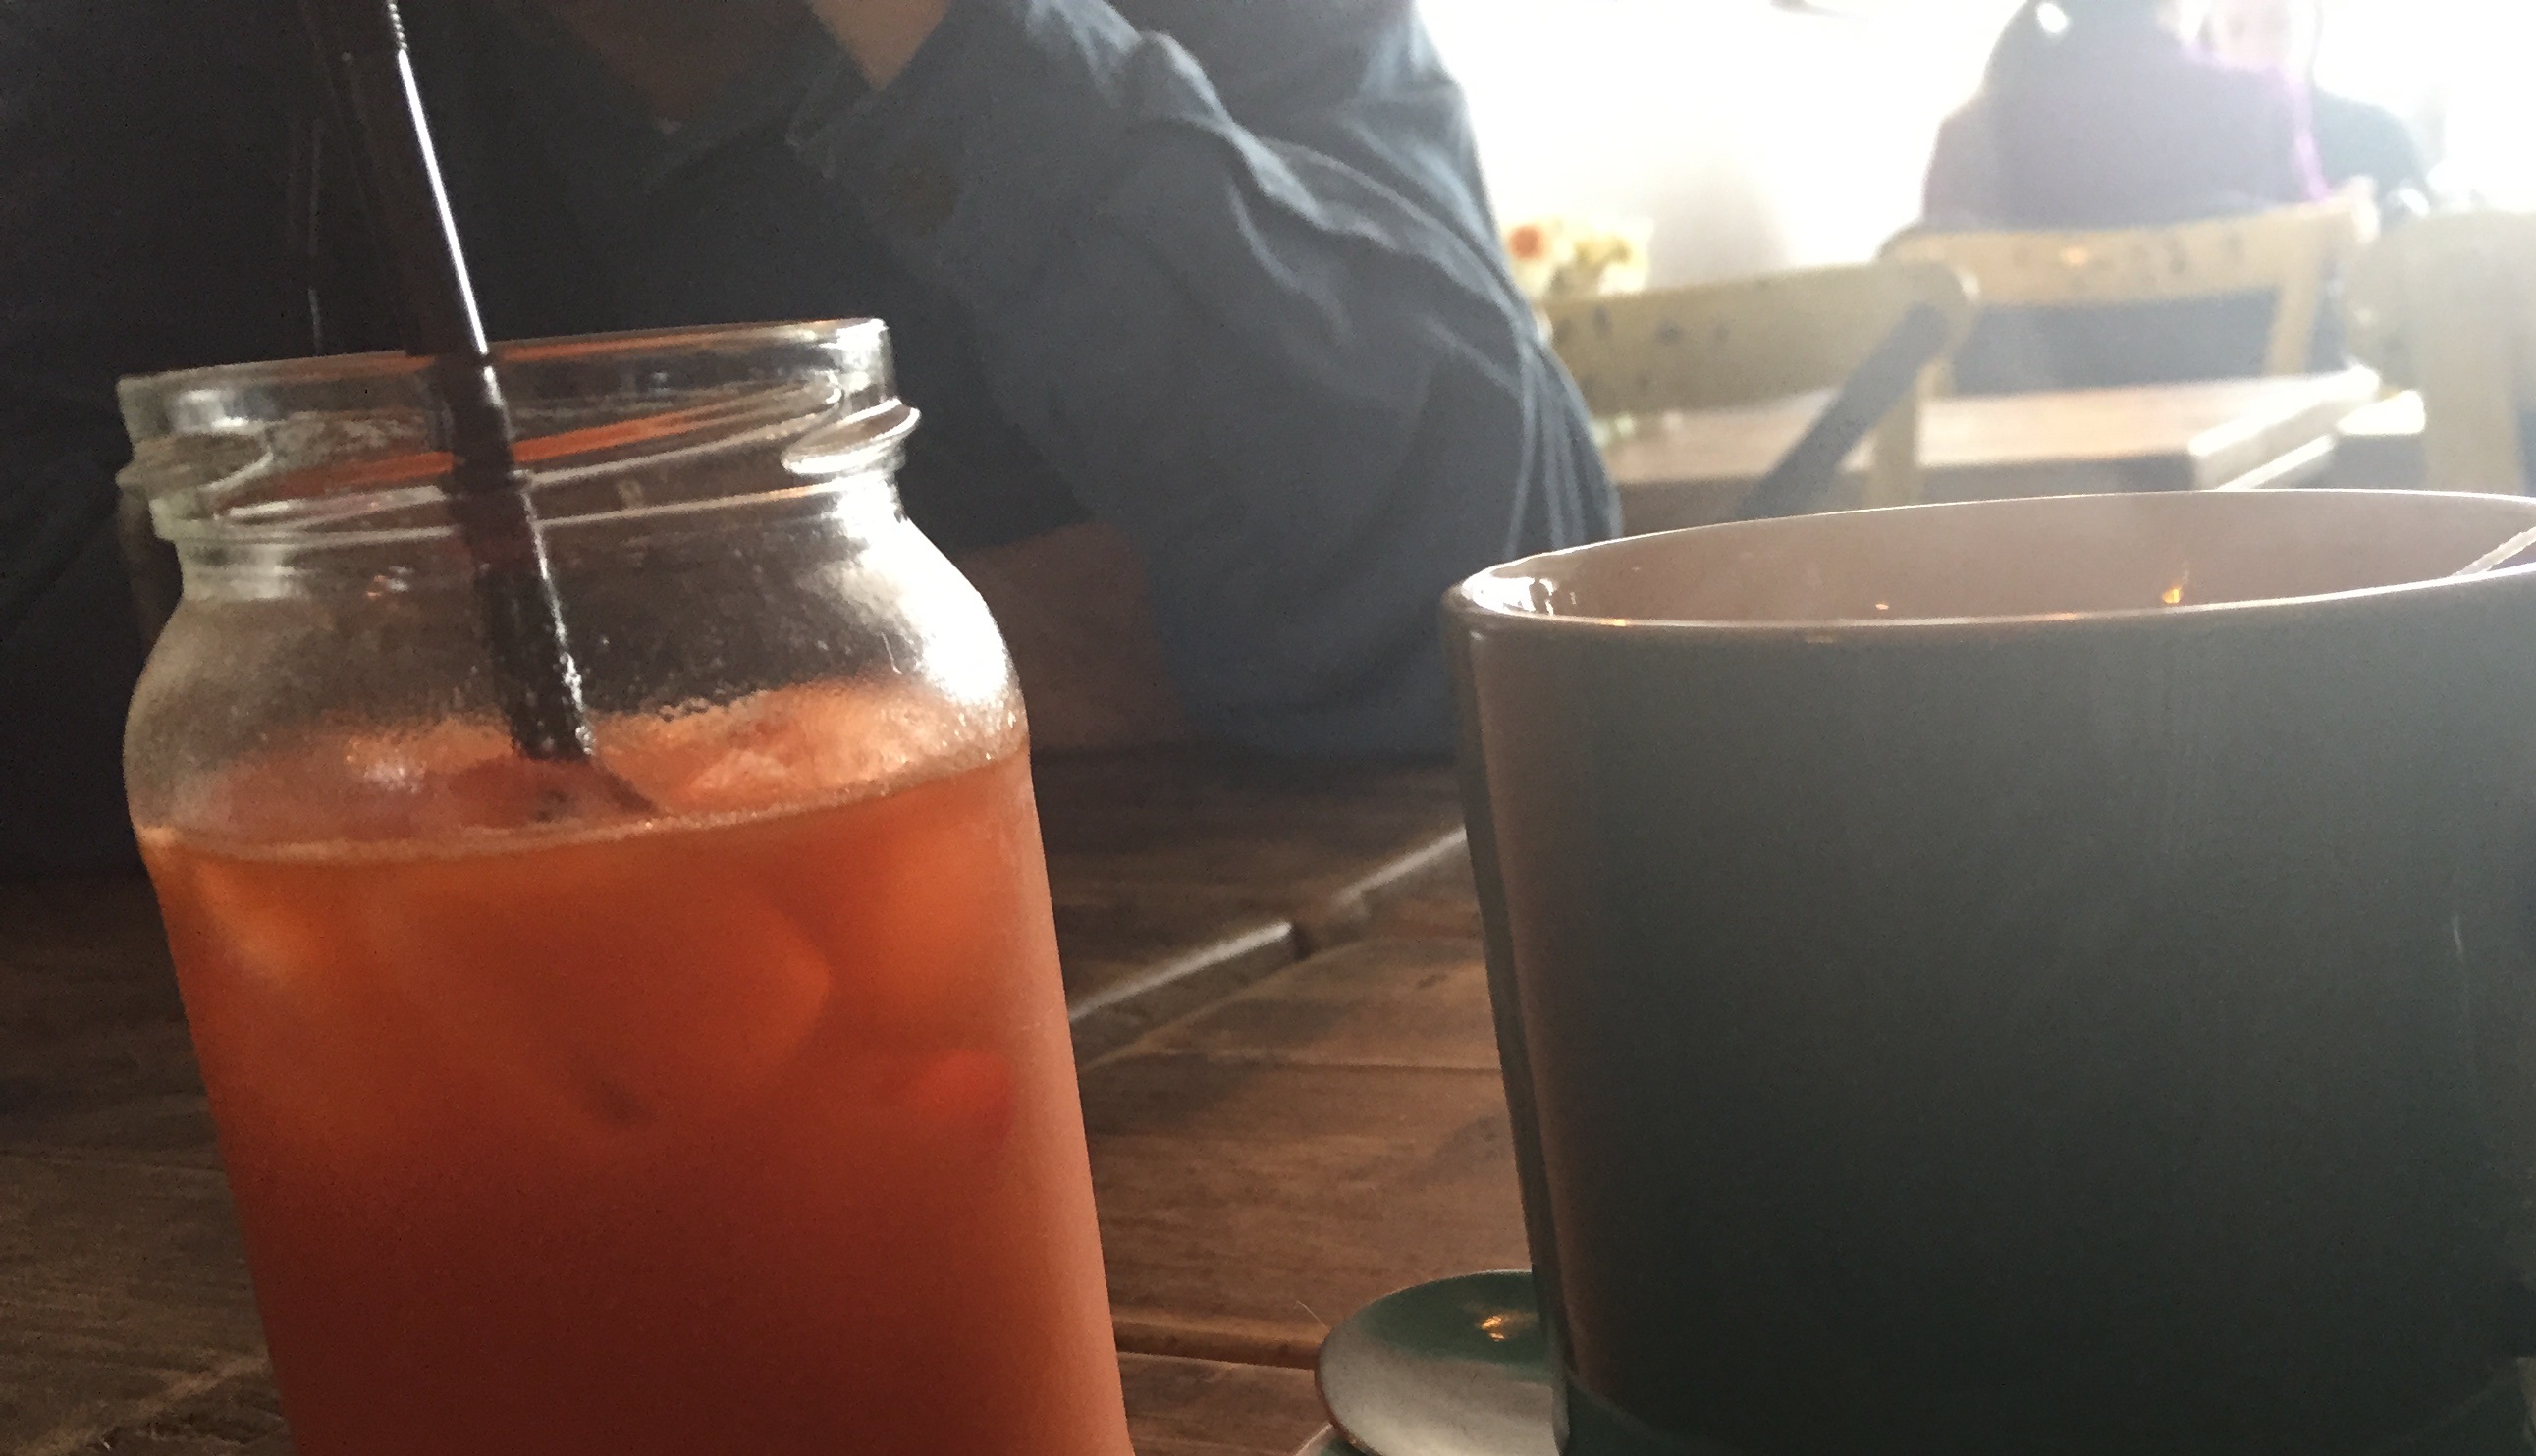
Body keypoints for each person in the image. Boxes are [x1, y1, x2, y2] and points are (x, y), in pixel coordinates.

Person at [0, 0, 1616, 871]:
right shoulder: (158, 54)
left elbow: (1508, 598)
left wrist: (954, 32)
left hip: (1206, 1060)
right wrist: (879, 649)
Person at [1916, 0, 2325, 391]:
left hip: (2011, 435)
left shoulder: (1970, 135)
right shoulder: (2257, 104)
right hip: (2237, 431)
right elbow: (2325, 273)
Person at [2198, 0, 2429, 213]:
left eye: (2280, 25)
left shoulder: (2379, 138)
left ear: (2312, 26)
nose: (2257, 50)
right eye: (2235, 30)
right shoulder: (2195, 161)